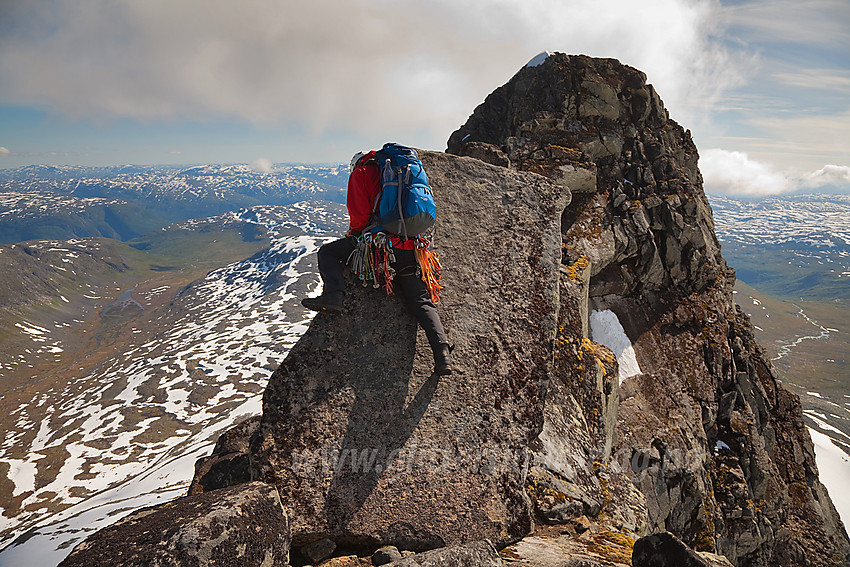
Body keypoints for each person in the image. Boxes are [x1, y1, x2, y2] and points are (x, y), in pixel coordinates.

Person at [302, 150, 453, 375]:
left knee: (328, 253)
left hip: (379, 248)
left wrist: (353, 235)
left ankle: (334, 296)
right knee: (421, 301)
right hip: (410, 248)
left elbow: (360, 214)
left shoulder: (361, 172)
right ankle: (443, 355)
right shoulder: (402, 172)